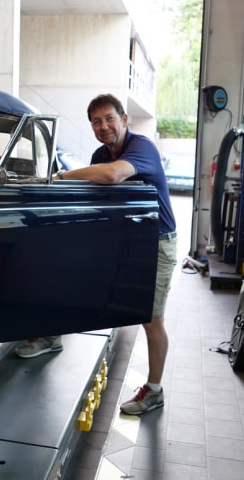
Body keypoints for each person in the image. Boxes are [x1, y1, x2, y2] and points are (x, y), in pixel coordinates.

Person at [53, 93, 177, 415]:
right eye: (96, 121)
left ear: (124, 120)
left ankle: (154, 390)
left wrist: (63, 175)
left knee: (152, 319)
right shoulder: (99, 153)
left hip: (156, 242)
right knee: (73, 276)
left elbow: (111, 176)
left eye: (109, 118)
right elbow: (94, 196)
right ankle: (48, 333)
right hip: (123, 237)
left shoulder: (142, 147)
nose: (103, 126)